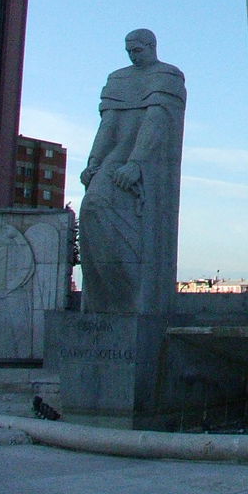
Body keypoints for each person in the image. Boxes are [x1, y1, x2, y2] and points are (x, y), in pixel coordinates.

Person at [79, 30, 186, 315]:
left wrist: (137, 164)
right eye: (129, 50)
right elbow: (108, 125)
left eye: (137, 50)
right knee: (90, 207)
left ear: (152, 47)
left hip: (144, 166)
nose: (132, 55)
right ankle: (108, 299)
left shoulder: (168, 76)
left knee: (106, 212)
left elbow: (157, 121)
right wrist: (93, 161)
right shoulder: (118, 78)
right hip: (115, 160)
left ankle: (130, 296)